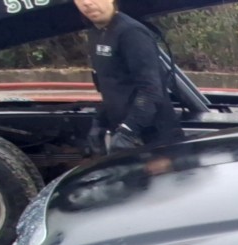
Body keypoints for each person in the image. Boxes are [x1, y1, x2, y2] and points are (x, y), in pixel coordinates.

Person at [75, 0, 184, 154]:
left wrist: (129, 130)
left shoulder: (131, 32)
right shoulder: (96, 32)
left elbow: (150, 90)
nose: (86, 3)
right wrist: (99, 121)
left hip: (156, 138)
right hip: (125, 134)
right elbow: (114, 86)